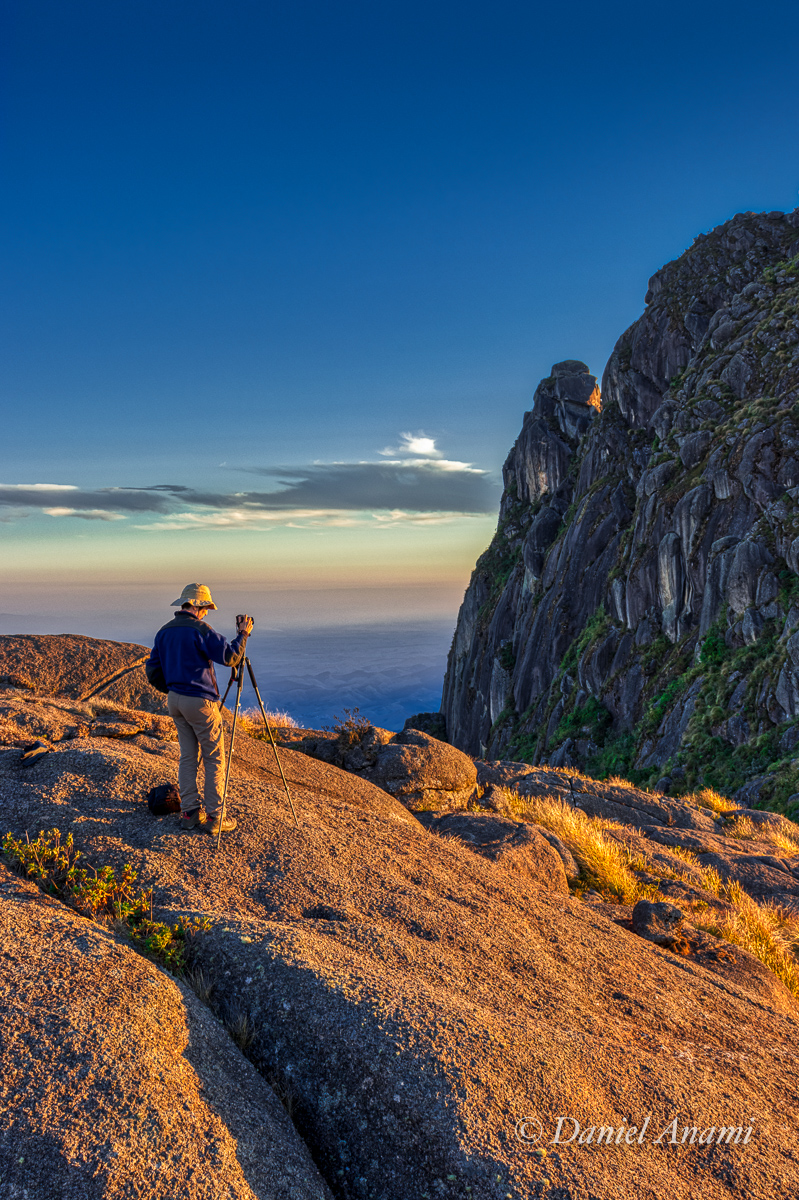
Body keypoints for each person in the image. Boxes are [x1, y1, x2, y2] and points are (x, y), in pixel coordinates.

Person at [146, 583, 254, 836]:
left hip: (176, 700)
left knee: (187, 756)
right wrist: (243, 634)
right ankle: (216, 817)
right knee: (214, 758)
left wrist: (174, 687)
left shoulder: (164, 632)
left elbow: (152, 671)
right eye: (205, 607)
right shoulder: (201, 629)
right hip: (199, 701)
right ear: (196, 605)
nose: (206, 612)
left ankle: (190, 813)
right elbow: (230, 657)